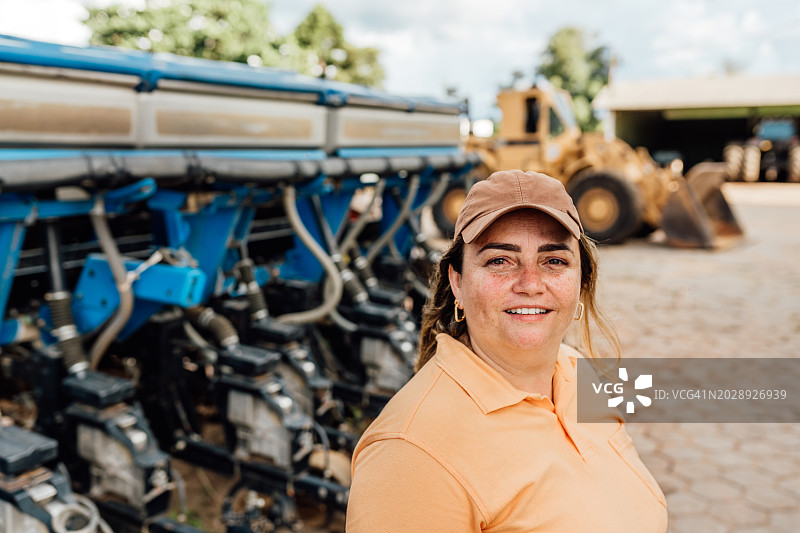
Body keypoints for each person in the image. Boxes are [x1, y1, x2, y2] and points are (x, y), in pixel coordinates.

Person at [346, 170, 667, 532]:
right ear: (458, 283)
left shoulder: (578, 371)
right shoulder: (410, 456)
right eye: (500, 260)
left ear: (581, 281)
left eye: (554, 261)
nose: (530, 284)